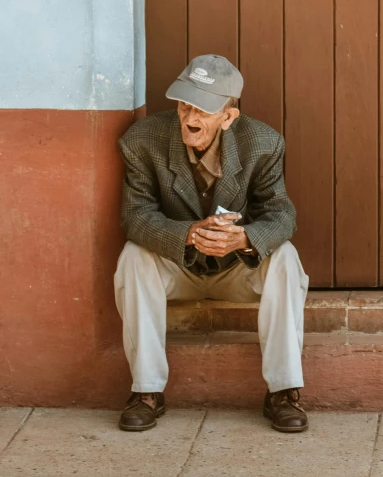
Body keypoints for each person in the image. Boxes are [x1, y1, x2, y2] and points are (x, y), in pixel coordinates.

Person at [113, 54, 309, 433]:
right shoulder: (141, 141)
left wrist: (246, 239)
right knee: (133, 257)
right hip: (178, 265)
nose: (190, 117)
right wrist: (187, 234)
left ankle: (284, 391)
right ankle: (147, 391)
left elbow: (282, 214)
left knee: (284, 257)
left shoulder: (264, 143)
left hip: (236, 269)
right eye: (185, 104)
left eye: (203, 109)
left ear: (229, 117)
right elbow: (134, 216)